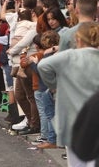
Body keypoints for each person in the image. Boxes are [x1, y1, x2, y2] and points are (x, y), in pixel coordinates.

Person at [39, 22, 99, 167]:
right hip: (95, 116)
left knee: (76, 162)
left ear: (78, 39)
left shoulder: (69, 55)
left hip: (72, 118)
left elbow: (43, 65)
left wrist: (54, 85)